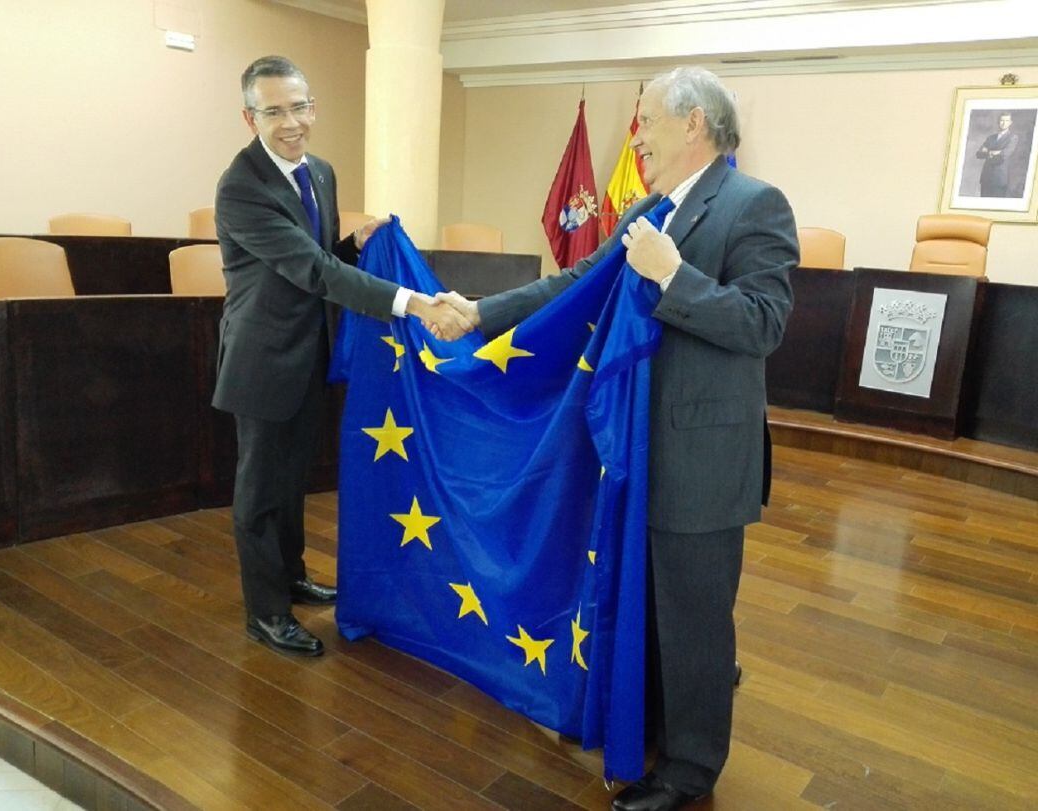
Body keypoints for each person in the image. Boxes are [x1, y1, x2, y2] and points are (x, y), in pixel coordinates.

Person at [436, 67, 797, 810]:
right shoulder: (653, 207)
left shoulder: (755, 204)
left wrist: (674, 279)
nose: (637, 135)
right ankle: (658, 726)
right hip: (636, 452)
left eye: (647, 120)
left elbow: (763, 322)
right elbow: (573, 285)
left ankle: (692, 771)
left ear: (693, 123)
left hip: (700, 457)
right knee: (653, 605)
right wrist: (480, 313)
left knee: (697, 621)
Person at [213, 55, 468, 657]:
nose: (291, 122)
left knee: (293, 479)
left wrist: (349, 244)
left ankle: (292, 574)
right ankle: (266, 612)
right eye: (274, 111)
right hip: (264, 359)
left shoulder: (319, 172)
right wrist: (411, 303)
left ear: (313, 108)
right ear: (250, 118)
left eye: (299, 107)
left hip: (311, 354)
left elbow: (320, 254)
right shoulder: (241, 186)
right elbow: (311, 270)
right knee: (260, 492)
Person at [975, 112, 1018, 197]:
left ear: (1010, 122)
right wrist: (993, 152)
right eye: (1002, 120)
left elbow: (1003, 155)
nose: (1003, 123)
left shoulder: (1013, 138)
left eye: (1006, 120)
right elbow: (979, 154)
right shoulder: (991, 138)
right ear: (998, 121)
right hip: (986, 177)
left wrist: (988, 151)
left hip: (999, 179)